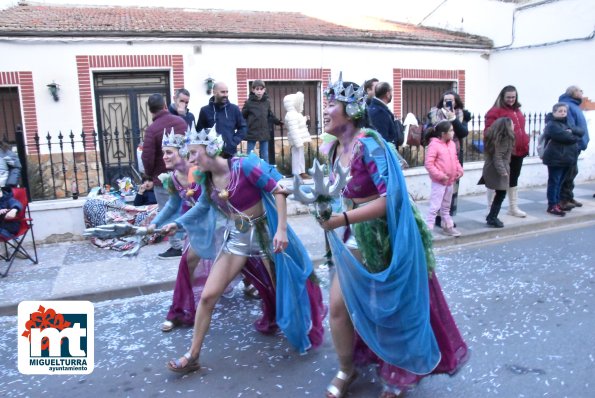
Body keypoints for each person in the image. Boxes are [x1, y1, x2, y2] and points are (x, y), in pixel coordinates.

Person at [316, 75, 468, 398]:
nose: (325, 110)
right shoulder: (332, 149)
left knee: (390, 307)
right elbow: (338, 191)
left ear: (351, 111)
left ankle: (400, 370)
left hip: (386, 236)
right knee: (339, 306)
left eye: (331, 104)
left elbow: (390, 200)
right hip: (353, 233)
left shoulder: (369, 144)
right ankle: (347, 369)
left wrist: (343, 217)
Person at [163, 126, 325, 373]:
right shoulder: (206, 180)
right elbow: (201, 208)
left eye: (194, 153)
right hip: (237, 241)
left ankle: (297, 329)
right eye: (189, 154)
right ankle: (193, 355)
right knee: (207, 297)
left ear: (212, 149)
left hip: (265, 237)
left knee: (283, 289)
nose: (191, 160)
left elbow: (279, 190)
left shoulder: (245, 166)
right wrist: (176, 223)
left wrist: (281, 230)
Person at [141, 93, 188, 259]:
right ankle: (187, 242)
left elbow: (147, 157)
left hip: (163, 178)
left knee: (167, 210)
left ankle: (177, 246)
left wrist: (150, 175)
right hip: (184, 175)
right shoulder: (181, 122)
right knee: (184, 207)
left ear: (150, 110)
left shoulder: (152, 129)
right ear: (165, 106)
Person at [485, 85, 529, 218]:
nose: (511, 99)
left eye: (513, 97)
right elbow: (488, 132)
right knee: (495, 180)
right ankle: (490, 208)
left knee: (513, 179)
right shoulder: (495, 111)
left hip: (518, 151)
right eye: (508, 97)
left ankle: (513, 207)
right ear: (502, 97)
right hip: (503, 152)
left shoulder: (517, 110)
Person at [427, 90, 470, 226]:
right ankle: (437, 218)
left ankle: (447, 216)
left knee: (452, 188)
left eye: (451, 100)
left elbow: (463, 133)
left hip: (454, 152)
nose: (448, 103)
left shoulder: (461, 114)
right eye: (446, 100)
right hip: (439, 153)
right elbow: (429, 132)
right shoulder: (434, 113)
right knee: (439, 188)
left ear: (456, 102)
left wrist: (453, 119)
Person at [541, 103, 584, 216]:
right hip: (556, 158)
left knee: (560, 182)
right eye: (560, 111)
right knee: (554, 182)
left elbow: (581, 131)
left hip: (567, 158)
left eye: (564, 111)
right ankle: (552, 205)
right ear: (554, 112)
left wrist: (572, 132)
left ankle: (557, 203)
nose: (563, 113)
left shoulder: (568, 122)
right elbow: (567, 137)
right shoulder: (552, 125)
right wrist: (573, 134)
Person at [424, 120, 464, 236]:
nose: (453, 133)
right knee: (435, 207)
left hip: (450, 181)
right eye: (450, 130)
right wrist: (440, 176)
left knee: (446, 207)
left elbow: (455, 159)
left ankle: (447, 226)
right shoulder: (434, 145)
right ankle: (428, 229)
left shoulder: (451, 144)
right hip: (439, 182)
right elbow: (429, 164)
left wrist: (459, 170)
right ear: (443, 134)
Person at [558, 85, 590, 209]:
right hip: (572, 146)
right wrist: (576, 142)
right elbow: (570, 126)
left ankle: (569, 196)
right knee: (568, 173)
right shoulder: (568, 105)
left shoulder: (574, 105)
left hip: (577, 145)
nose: (582, 93)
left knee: (572, 172)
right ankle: (563, 199)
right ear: (573, 93)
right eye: (579, 91)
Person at [196, 81, 247, 157]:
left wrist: (233, 141)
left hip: (230, 153)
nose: (225, 95)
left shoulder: (234, 109)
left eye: (227, 92)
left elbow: (243, 127)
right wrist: (209, 143)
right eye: (222, 92)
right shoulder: (205, 110)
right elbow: (199, 131)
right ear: (214, 92)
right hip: (211, 155)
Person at [480, 117, 515, 228]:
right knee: (501, 194)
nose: (513, 126)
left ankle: (492, 216)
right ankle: (492, 217)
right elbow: (498, 156)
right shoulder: (505, 139)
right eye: (512, 124)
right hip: (498, 169)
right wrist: (503, 172)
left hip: (491, 167)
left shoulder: (493, 137)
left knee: (499, 194)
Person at [242, 80, 283, 161]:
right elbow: (243, 116)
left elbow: (270, 115)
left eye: (261, 89)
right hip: (252, 132)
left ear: (264, 90)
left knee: (265, 154)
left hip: (264, 131)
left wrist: (278, 122)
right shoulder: (248, 103)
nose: (259, 91)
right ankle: (250, 171)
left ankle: (265, 171)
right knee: (250, 154)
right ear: (253, 90)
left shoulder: (267, 102)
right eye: (257, 89)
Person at [283, 91, 312, 180]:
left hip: (299, 138)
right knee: (297, 156)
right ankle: (297, 173)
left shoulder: (295, 114)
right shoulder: (291, 114)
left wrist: (305, 118)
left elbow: (298, 123)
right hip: (297, 139)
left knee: (300, 155)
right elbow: (293, 129)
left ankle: (301, 172)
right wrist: (298, 141)